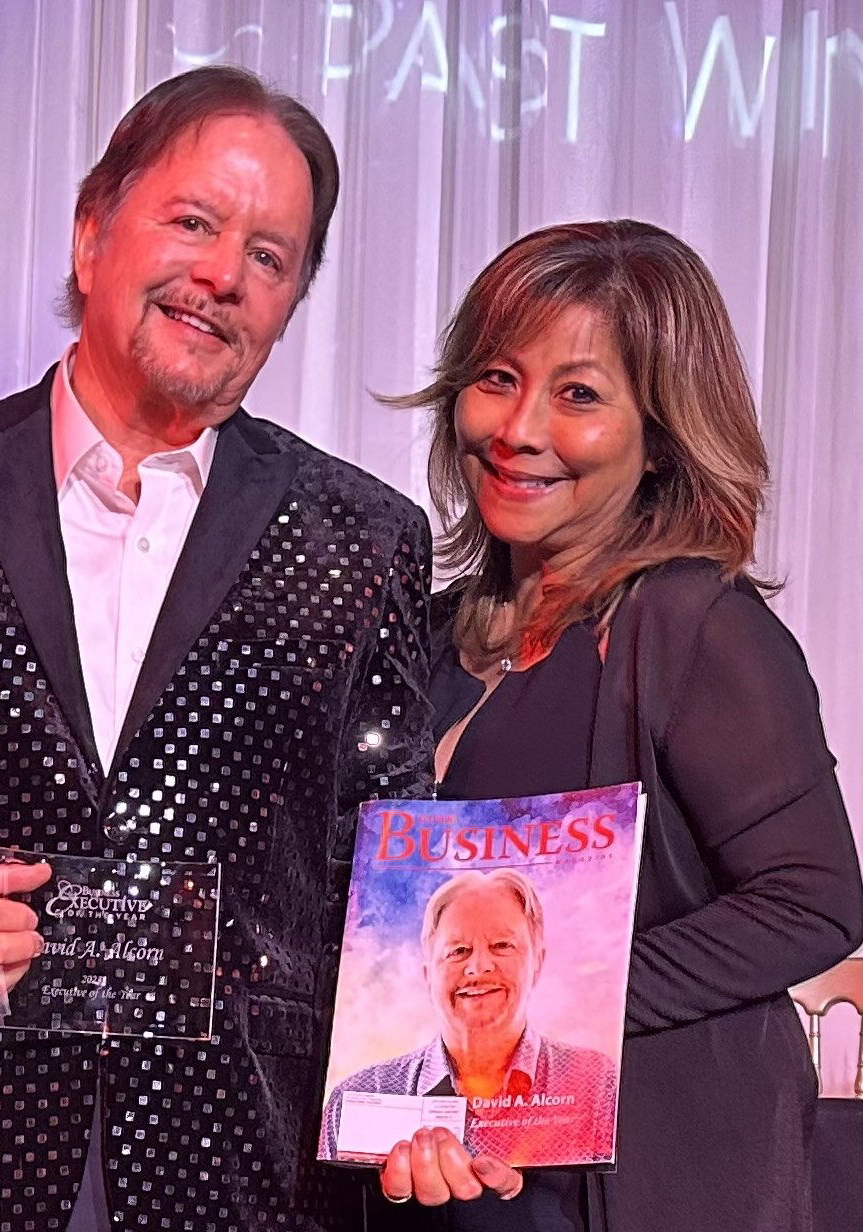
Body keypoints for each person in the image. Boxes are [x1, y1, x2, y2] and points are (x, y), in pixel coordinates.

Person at [0, 66, 433, 1232]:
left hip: (243, 1180)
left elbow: (394, 864)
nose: (221, 277)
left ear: (291, 302)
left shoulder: (364, 538)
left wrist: (429, 1101)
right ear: (93, 230)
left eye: (269, 256)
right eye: (192, 221)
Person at [377, 220, 863, 1232]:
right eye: (497, 377)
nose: (518, 428)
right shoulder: (422, 635)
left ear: (663, 433)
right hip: (451, 1181)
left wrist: (558, 1005)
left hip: (645, 1186)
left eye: (580, 394)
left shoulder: (696, 629)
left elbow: (813, 899)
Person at [319, 867, 617, 1166]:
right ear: (428, 975)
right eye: (458, 951)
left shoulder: (595, 1082)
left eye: (502, 946)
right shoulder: (359, 1097)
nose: (478, 967)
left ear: (537, 962)